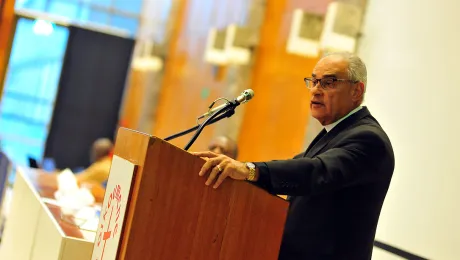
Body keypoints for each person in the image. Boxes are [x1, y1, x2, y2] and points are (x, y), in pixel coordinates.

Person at [193, 52, 395, 259]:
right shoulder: (335, 134)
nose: (316, 90)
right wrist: (236, 171)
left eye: (328, 83)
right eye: (314, 81)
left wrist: (249, 170)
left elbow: (316, 171)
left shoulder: (368, 139)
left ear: (356, 90)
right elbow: (296, 167)